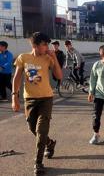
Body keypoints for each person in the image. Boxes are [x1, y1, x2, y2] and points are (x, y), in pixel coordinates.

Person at [11, 32, 63, 174]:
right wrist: (14, 97)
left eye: (47, 44)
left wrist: (54, 59)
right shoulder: (23, 58)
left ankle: (38, 163)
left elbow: (59, 76)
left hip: (46, 98)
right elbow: (17, 78)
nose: (47, 47)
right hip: (30, 99)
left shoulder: (48, 58)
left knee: (41, 130)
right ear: (35, 45)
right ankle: (50, 143)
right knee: (32, 128)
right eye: (44, 44)